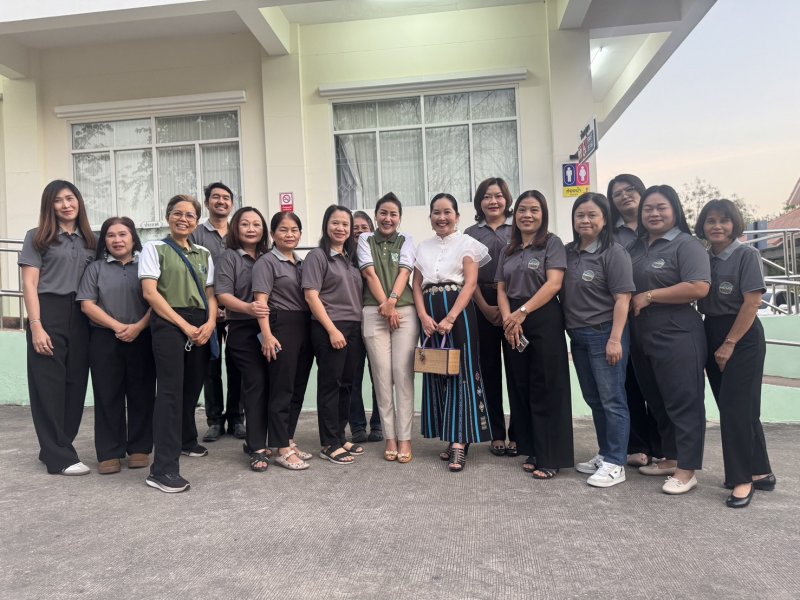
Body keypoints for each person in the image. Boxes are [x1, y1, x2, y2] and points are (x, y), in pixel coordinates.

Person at [628, 184, 710, 495]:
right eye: (648, 208)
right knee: (658, 400)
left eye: (661, 207)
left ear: (675, 210)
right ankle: (672, 458)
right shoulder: (636, 247)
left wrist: (650, 295)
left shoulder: (686, 245)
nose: (654, 213)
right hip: (641, 333)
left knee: (683, 401)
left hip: (677, 332)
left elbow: (699, 287)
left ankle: (687, 470)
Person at [695, 199, 775, 508]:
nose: (717, 226)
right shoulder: (703, 258)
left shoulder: (746, 255)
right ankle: (761, 471)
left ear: (735, 224)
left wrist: (729, 343)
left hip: (741, 335)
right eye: (710, 220)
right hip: (711, 329)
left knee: (735, 410)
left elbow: (752, 303)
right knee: (740, 408)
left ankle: (742, 479)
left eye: (724, 220)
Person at [139, 194, 217, 493]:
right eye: (177, 213)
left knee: (191, 389)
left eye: (190, 215)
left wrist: (210, 323)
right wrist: (184, 326)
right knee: (170, 394)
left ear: (197, 221)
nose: (183, 219)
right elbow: (150, 293)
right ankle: (163, 470)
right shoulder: (154, 248)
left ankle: (186, 440)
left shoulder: (204, 253)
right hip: (169, 322)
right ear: (168, 216)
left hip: (201, 323)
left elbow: (210, 294)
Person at [19, 180, 97, 475]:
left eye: (70, 198)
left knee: (75, 384)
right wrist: (36, 325)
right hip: (48, 311)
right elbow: (30, 283)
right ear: (49, 206)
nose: (66, 205)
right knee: (48, 386)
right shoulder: (38, 237)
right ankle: (59, 458)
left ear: (79, 201)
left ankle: (56, 446)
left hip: (82, 314)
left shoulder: (92, 240)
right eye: (58, 200)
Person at [496, 190, 573, 480]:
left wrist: (522, 312)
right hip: (513, 320)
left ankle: (551, 456)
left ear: (543, 214)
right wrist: (508, 318)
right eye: (522, 210)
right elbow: (501, 287)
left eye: (534, 210)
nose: (527, 215)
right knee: (521, 384)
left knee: (547, 386)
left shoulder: (552, 244)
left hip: (542, 316)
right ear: (515, 215)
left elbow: (553, 284)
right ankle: (533, 449)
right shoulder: (508, 249)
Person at [413, 193, 492, 472]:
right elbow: (416, 284)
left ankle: (460, 442)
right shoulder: (423, 247)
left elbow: (470, 283)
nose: (442, 217)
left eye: (447, 212)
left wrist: (451, 317)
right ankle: (449, 435)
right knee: (438, 371)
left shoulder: (468, 243)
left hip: (458, 314)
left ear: (457, 216)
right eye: (436, 212)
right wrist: (423, 316)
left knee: (461, 372)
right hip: (430, 314)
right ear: (430, 217)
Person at [561, 193, 634, 487]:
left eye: (592, 215)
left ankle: (616, 462)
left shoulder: (613, 253)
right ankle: (605, 453)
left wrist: (615, 339)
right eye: (580, 215)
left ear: (605, 220)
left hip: (604, 333)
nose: (585, 220)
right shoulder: (568, 252)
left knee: (612, 399)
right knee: (594, 399)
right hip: (577, 335)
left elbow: (623, 299)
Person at [77, 217, 155, 474]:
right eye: (111, 235)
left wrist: (138, 327)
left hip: (142, 337)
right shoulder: (95, 268)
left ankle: (140, 448)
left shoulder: (146, 265)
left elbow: (157, 300)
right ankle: (109, 452)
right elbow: (87, 305)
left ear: (133, 238)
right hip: (104, 338)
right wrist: (118, 327)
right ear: (105, 241)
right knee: (107, 394)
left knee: (142, 393)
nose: (117, 240)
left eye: (123, 234)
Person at [358, 193, 418, 463]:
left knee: (402, 375)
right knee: (382, 376)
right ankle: (390, 438)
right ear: (376, 216)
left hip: (404, 310)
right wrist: (386, 305)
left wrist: (392, 303)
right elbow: (369, 273)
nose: (388, 218)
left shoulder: (407, 240)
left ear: (399, 218)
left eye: (393, 214)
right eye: (383, 213)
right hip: (374, 311)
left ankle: (405, 439)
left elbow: (405, 272)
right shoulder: (365, 239)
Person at [302, 205, 365, 464]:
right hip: (330, 326)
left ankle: (339, 435)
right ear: (326, 225)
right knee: (331, 384)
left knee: (347, 384)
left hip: (354, 327)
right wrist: (331, 329)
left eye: (345, 224)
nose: (340, 228)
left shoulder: (350, 259)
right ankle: (329, 443)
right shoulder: (317, 256)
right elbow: (311, 295)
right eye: (335, 223)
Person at [214, 207, 275, 472]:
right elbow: (223, 295)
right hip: (243, 329)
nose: (251, 229)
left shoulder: (270, 255)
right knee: (255, 384)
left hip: (271, 328)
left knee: (271, 385)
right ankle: (256, 447)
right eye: (245, 224)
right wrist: (249, 308)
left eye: (256, 224)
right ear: (235, 228)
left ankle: (266, 439)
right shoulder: (229, 257)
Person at [253, 212, 315, 469]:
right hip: (281, 325)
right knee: (282, 389)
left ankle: (288, 439)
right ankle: (280, 447)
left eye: (294, 230)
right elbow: (260, 302)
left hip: (304, 325)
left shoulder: (301, 263)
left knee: (297, 388)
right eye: (283, 230)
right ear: (272, 234)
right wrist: (267, 335)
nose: (289, 234)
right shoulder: (266, 262)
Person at [464, 178, 517, 457]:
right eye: (486, 196)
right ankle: (497, 433)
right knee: (489, 371)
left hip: (514, 303)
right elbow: (466, 277)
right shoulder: (470, 233)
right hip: (480, 302)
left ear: (506, 199)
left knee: (517, 370)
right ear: (479, 202)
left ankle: (518, 433)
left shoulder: (518, 228)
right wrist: (484, 306)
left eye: (498, 196)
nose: (493, 201)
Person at [191, 182, 244, 442]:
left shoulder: (239, 232)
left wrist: (231, 306)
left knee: (238, 365)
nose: (221, 201)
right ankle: (214, 420)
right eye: (216, 197)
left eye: (226, 197)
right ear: (207, 202)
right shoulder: (196, 234)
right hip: (207, 310)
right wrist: (214, 308)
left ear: (232, 203)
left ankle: (236, 418)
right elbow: (193, 272)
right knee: (210, 367)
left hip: (237, 310)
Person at [348, 210, 382, 443]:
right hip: (352, 323)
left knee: (379, 374)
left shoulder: (377, 254)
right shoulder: (344, 257)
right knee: (353, 376)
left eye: (364, 227)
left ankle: (378, 424)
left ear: (372, 228)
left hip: (377, 319)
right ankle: (357, 425)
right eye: (355, 228)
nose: (359, 231)